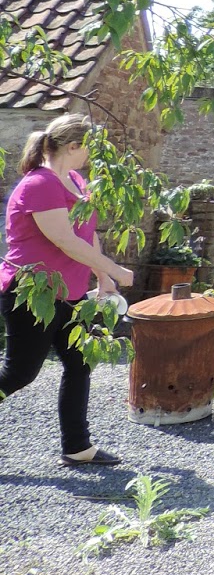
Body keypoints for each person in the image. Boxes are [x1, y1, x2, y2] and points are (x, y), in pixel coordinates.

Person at [0, 114, 135, 468]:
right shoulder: (40, 184)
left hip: (71, 292)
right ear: (73, 146)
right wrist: (116, 269)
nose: (93, 154)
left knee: (79, 363)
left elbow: (88, 233)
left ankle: (77, 447)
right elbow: (64, 239)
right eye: (89, 146)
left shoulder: (76, 181)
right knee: (19, 373)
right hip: (32, 292)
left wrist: (104, 280)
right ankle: (77, 445)